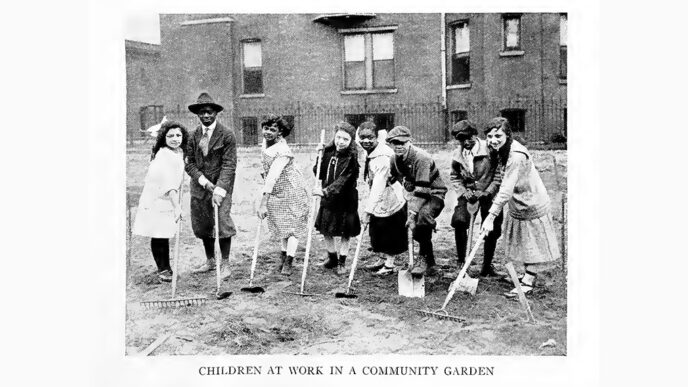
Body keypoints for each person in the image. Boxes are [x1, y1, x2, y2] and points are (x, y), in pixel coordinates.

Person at [479, 117, 561, 297]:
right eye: (490, 136)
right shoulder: (500, 150)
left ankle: (528, 282)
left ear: (508, 135)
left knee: (531, 242)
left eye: (498, 135)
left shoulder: (516, 155)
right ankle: (526, 276)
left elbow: (506, 189)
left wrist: (490, 217)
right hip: (518, 202)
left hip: (532, 201)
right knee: (523, 242)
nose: (493, 140)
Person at [185, 92, 237, 280]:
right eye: (202, 112)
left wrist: (219, 190)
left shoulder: (227, 135)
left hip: (222, 186)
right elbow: (189, 164)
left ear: (216, 113)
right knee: (203, 224)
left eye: (209, 112)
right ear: (197, 114)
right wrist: (204, 183)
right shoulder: (192, 136)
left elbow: (229, 165)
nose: (206, 116)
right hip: (200, 186)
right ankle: (210, 261)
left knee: (222, 222)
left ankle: (225, 263)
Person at [387, 126, 448, 277]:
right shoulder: (394, 159)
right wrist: (397, 180)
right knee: (399, 220)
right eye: (395, 143)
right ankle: (430, 261)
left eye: (402, 142)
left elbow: (423, 190)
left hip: (433, 193)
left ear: (409, 142)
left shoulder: (422, 158)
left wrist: (412, 213)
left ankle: (423, 258)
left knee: (422, 218)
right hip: (416, 194)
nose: (399, 146)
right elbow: (395, 175)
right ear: (390, 144)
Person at [132, 121, 189, 283]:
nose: (175, 139)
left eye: (178, 135)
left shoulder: (177, 153)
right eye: (170, 136)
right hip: (157, 199)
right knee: (159, 234)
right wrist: (177, 206)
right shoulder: (163, 154)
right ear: (163, 138)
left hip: (166, 199)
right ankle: (163, 269)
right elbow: (168, 183)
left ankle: (166, 267)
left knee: (164, 233)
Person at [256, 115, 310, 276]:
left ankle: (289, 261)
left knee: (292, 226)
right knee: (281, 224)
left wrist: (263, 202)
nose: (268, 132)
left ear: (280, 133)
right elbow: (266, 169)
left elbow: (273, 177)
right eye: (266, 128)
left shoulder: (283, 151)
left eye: (273, 130)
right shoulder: (266, 144)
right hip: (278, 191)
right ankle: (283, 255)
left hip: (292, 190)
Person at [449, 120, 503, 278]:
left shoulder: (491, 149)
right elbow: (454, 177)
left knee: (492, 228)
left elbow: (499, 174)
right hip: (469, 194)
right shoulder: (458, 155)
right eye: (461, 140)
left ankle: (487, 266)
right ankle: (462, 263)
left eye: (468, 138)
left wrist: (487, 192)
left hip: (489, 193)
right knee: (459, 221)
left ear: (475, 135)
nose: (466, 143)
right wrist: (463, 190)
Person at [358, 122, 408, 276]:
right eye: (362, 137)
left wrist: (367, 210)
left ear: (377, 137)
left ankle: (390, 264)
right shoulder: (371, 152)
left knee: (389, 231)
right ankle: (381, 259)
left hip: (391, 197)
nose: (366, 141)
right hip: (379, 199)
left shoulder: (382, 157)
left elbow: (379, 185)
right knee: (377, 230)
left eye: (370, 137)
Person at [312, 122, 362, 275]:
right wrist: (319, 157)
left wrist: (326, 191)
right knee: (326, 229)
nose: (340, 141)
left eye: (345, 139)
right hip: (329, 200)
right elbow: (319, 174)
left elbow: (343, 180)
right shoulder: (328, 153)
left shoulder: (352, 158)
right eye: (338, 137)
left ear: (351, 141)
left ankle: (342, 261)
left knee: (345, 233)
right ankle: (332, 258)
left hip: (346, 201)